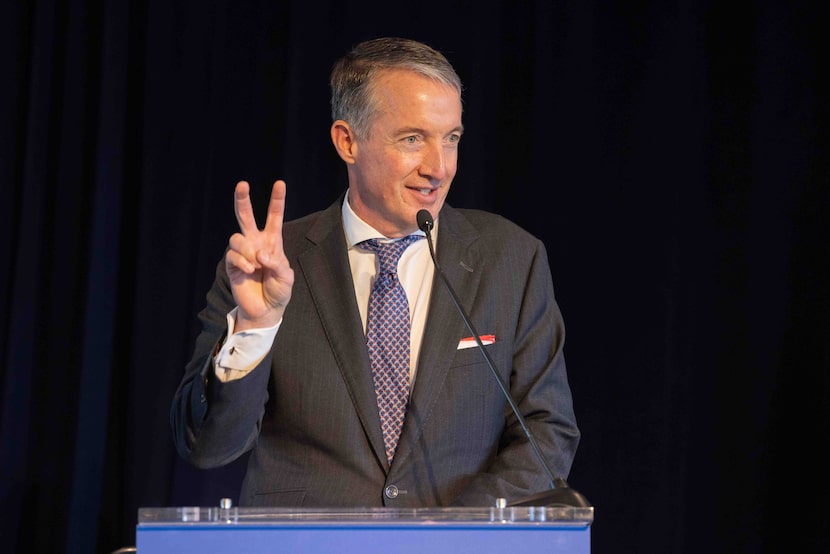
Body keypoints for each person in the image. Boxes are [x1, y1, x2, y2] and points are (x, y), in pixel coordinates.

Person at [171, 36, 580, 508]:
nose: (439, 168)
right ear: (348, 141)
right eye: (412, 139)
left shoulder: (512, 258)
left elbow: (547, 434)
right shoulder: (267, 267)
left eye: (451, 139)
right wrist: (256, 328)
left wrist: (448, 535)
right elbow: (206, 448)